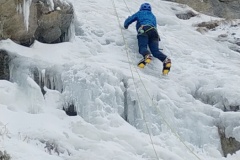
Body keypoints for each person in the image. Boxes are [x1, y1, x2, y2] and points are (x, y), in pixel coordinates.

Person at [124, 3, 171, 75]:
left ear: (141, 8)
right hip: (154, 33)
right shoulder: (153, 16)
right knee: (155, 51)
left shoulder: (140, 13)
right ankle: (165, 60)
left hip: (144, 29)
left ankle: (147, 55)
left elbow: (130, 20)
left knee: (142, 47)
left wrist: (125, 25)